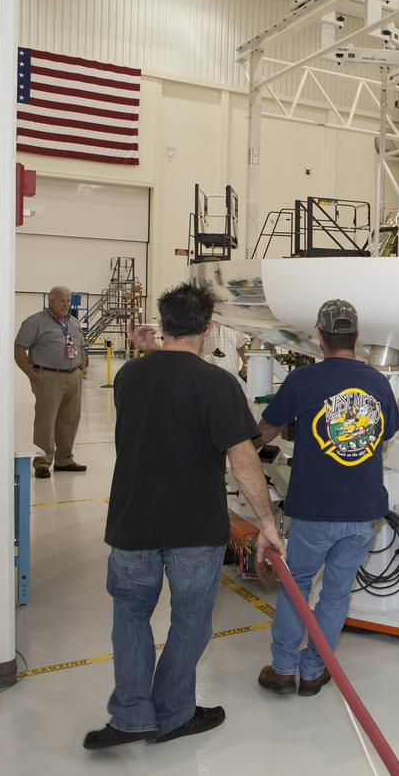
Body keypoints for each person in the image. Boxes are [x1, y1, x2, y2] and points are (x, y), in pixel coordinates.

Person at [84, 283, 284, 750]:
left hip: (132, 522)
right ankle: (173, 712)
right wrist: (266, 523)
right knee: (191, 620)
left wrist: (148, 352)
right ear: (208, 328)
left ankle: (131, 716)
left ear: (163, 323)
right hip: (194, 528)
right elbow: (243, 461)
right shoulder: (218, 384)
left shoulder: (129, 377)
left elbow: (164, 388)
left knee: (130, 616)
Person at [255, 299, 399, 697]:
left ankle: (283, 669)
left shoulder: (303, 381)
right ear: (357, 336)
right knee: (336, 593)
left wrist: (242, 450)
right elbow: (383, 436)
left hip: (315, 510)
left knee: (297, 586)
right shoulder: (378, 383)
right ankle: (314, 671)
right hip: (363, 512)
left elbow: (268, 428)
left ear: (319, 335)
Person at [14, 285, 89, 479]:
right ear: (51, 300)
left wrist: (82, 367)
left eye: (68, 300)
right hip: (48, 377)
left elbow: (80, 346)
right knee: (46, 420)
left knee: (70, 419)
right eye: (61, 300)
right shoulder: (35, 322)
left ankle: (64, 459)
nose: (66, 304)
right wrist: (33, 375)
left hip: (73, 376)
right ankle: (42, 462)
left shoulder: (74, 322)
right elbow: (19, 349)